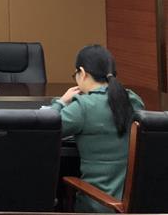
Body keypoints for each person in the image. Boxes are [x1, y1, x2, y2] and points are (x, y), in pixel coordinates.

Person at [51, 45, 144, 213]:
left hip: (97, 205)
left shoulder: (83, 106)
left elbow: (46, 127)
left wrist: (61, 102)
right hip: (136, 205)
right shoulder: (133, 100)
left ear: (82, 73)